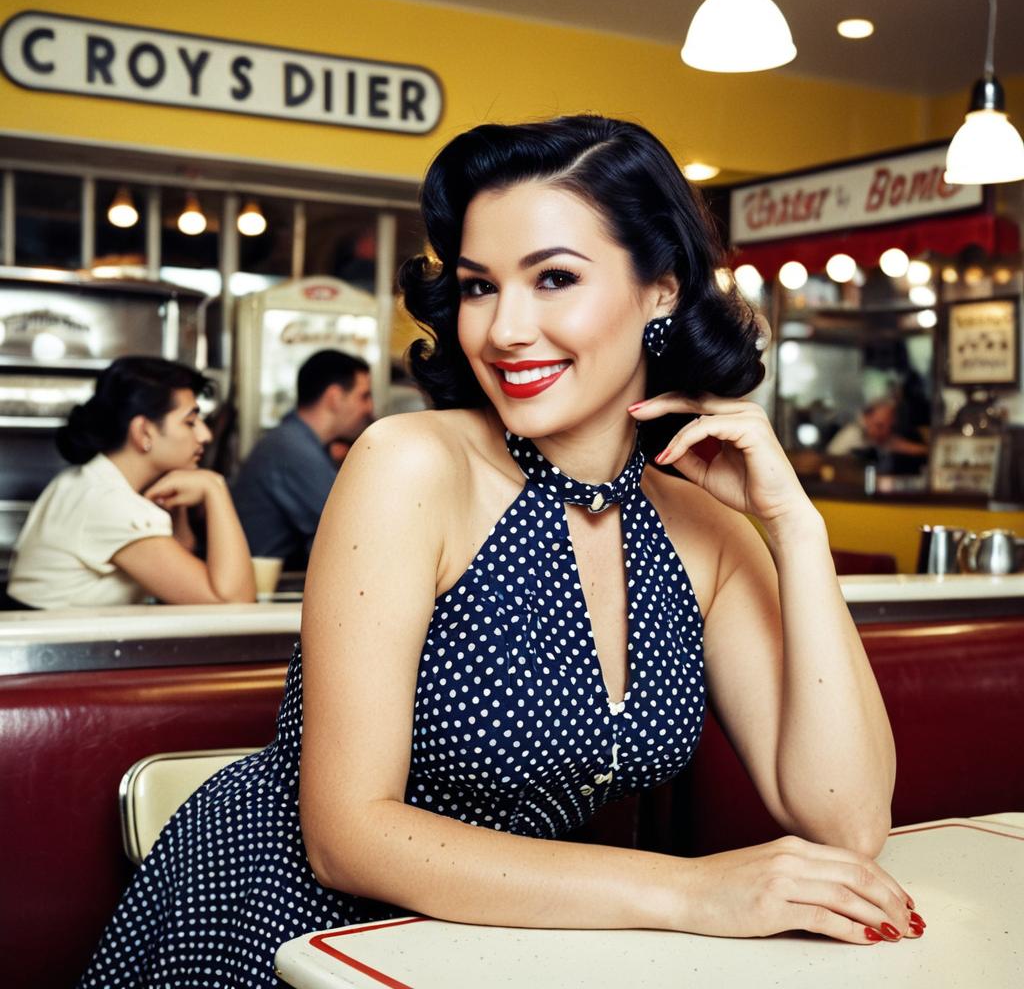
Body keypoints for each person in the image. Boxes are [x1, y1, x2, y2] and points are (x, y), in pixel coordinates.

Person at [80, 116, 919, 988]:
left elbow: (848, 823)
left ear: (661, 289)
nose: (506, 330)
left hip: (491, 945)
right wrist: (693, 891)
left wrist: (795, 529)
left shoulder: (703, 525)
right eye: (480, 287)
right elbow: (347, 836)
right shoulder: (411, 463)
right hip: (282, 931)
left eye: (554, 278)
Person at [7, 356, 255, 609]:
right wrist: (215, 488)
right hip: (53, 646)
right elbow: (233, 601)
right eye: (190, 422)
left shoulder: (90, 481)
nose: (205, 435)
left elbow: (179, 559)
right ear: (143, 432)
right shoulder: (109, 502)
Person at [231, 349, 374, 569]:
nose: (370, 408)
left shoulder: (294, 440)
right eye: (364, 396)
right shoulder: (293, 448)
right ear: (335, 397)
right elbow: (356, 528)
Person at [825, 397, 928, 471]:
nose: (885, 432)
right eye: (880, 426)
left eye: (890, 427)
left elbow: (918, 450)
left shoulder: (883, 439)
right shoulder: (852, 436)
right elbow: (830, 463)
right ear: (866, 418)